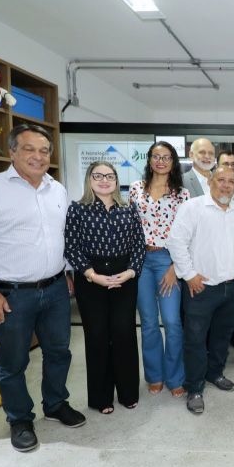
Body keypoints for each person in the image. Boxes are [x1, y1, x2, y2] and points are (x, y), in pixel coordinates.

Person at [0, 124, 86, 452]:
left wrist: (68, 273)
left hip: (56, 288)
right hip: (11, 293)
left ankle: (56, 404)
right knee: (13, 361)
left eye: (44, 151)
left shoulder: (56, 190)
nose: (38, 156)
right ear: (12, 152)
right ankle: (19, 418)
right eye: (29, 149)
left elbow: (62, 238)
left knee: (59, 352)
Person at [168, 166, 234, 414]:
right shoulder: (193, 208)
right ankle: (195, 387)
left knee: (221, 336)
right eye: (221, 180)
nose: (226, 185)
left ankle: (215, 374)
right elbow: (176, 242)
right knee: (195, 340)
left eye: (231, 181)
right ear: (210, 182)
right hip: (201, 289)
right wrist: (189, 275)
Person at [65, 161, 145, 414]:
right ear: (89, 179)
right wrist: (91, 275)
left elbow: (139, 246)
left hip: (125, 278)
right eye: (97, 175)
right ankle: (101, 398)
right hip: (91, 280)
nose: (104, 180)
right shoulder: (78, 209)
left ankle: (128, 393)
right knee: (97, 337)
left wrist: (131, 272)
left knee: (124, 334)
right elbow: (71, 247)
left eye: (109, 176)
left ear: (116, 180)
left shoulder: (129, 209)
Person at [129, 141, 189, 399]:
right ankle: (154, 375)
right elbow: (130, 230)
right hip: (141, 260)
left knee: (173, 322)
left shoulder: (182, 194)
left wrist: (176, 266)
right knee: (150, 323)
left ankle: (176, 376)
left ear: (173, 162)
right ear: (150, 160)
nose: (161, 161)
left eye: (166, 157)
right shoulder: (135, 190)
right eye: (156, 156)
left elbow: (188, 235)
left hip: (168, 260)